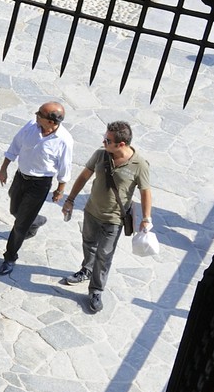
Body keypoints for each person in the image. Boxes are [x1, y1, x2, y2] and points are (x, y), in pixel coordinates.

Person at [59, 120, 153, 314]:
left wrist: (146, 218)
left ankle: (96, 290)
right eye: (105, 138)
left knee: (104, 255)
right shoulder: (100, 155)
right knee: (88, 243)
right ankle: (86, 270)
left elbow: (145, 192)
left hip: (114, 219)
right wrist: (70, 199)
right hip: (92, 211)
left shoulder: (139, 165)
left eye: (107, 140)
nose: (103, 142)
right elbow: (84, 176)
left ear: (121, 144)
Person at [0, 101, 74, 275]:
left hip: (39, 184)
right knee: (15, 210)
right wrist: (4, 168)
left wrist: (60, 189)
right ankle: (36, 221)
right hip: (21, 177)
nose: (36, 116)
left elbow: (65, 167)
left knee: (20, 224)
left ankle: (10, 257)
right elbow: (15, 146)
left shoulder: (64, 140)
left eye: (40, 114)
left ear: (51, 122)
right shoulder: (31, 126)